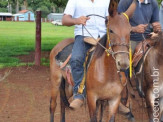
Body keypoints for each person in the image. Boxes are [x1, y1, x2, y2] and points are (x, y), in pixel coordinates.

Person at [62, 0, 110, 109]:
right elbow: (64, 20)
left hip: (104, 37)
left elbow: (110, 17)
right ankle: (79, 94)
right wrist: (77, 20)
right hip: (83, 36)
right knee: (76, 59)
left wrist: (110, 20)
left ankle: (118, 94)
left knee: (119, 57)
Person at [118, 0, 161, 96]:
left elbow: (155, 22)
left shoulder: (153, 3)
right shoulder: (125, 2)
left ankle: (151, 85)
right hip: (130, 39)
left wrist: (156, 27)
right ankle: (124, 90)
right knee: (124, 63)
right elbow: (119, 23)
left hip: (148, 39)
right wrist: (134, 29)